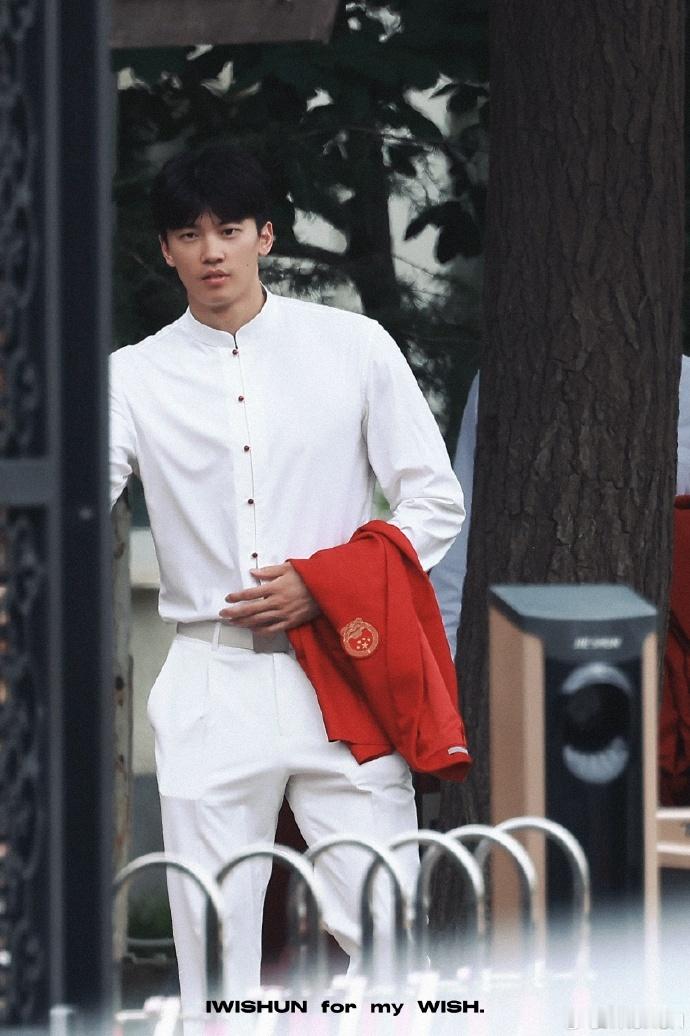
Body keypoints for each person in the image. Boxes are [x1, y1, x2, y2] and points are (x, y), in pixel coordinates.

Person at [109, 143, 465, 1026]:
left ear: (266, 236)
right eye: (189, 235)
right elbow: (74, 506)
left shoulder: (354, 347)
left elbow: (435, 501)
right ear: (166, 250)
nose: (212, 251)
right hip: (209, 675)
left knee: (387, 927)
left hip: (340, 668)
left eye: (229, 229)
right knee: (213, 946)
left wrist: (325, 583)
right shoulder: (132, 376)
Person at [431, 360, 690, 654]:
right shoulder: (507, 370)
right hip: (520, 640)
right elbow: (464, 532)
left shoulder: (683, 385)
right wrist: (445, 655)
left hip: (646, 649)